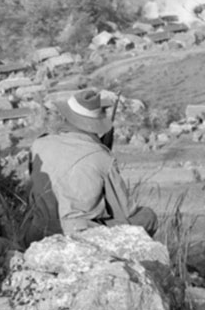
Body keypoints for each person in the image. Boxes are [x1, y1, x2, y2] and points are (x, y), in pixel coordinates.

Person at [24, 89, 157, 245]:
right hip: (79, 238)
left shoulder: (39, 144)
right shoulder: (101, 156)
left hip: (37, 231)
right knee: (148, 217)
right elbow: (124, 212)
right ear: (95, 124)